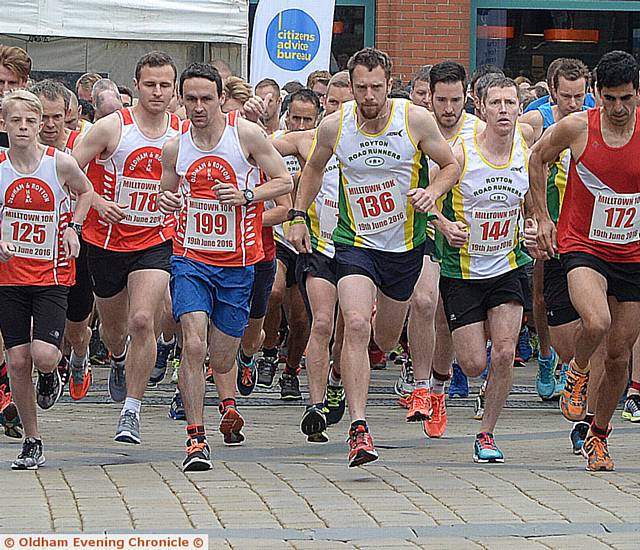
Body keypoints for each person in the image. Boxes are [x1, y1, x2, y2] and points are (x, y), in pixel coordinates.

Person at [288, 47, 460, 467]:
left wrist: (432, 193)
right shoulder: (335, 126)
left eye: (376, 87)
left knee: (382, 339)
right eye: (361, 87)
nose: (368, 96)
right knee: (357, 323)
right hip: (354, 244)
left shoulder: (413, 120)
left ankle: (343, 380)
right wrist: (296, 215)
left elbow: (450, 164)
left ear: (389, 83)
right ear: (350, 84)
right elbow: (312, 170)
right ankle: (359, 428)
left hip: (403, 247)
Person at [158, 62, 291, 471]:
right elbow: (166, 196)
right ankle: (195, 439)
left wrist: (247, 195)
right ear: (182, 99)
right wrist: (170, 204)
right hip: (191, 259)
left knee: (221, 356)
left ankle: (226, 399)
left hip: (238, 263)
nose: (199, 107)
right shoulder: (176, 146)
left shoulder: (244, 135)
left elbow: (285, 181)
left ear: (220, 98)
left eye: (206, 98)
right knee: (193, 344)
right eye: (191, 99)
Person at [530, 50, 640, 472]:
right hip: (583, 245)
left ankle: (598, 436)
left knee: (617, 357)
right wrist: (541, 216)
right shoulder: (577, 128)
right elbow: (537, 158)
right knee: (596, 321)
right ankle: (575, 373)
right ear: (596, 93)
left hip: (632, 253)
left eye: (625, 98)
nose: (617, 108)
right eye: (609, 98)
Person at [72, 51, 180, 445]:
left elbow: (190, 186)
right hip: (105, 241)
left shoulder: (180, 134)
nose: (156, 92)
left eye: (164, 85)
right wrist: (97, 202)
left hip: (155, 239)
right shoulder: (111, 127)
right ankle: (118, 359)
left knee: (141, 321)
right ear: (135, 85)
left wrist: (177, 200)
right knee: (116, 332)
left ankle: (131, 411)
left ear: (173, 89)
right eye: (149, 84)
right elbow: (69, 170)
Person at [434, 76, 534, 463]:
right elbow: (428, 200)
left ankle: (487, 433)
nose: (504, 110)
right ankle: (471, 384)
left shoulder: (525, 150)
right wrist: (446, 227)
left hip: (508, 266)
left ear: (519, 108)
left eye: (511, 103)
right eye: (496, 103)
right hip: (463, 272)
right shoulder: (460, 153)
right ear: (482, 108)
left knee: (506, 352)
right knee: (475, 363)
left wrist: (531, 224)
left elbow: (530, 199)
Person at [0, 90, 92, 469]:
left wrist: (74, 227)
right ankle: (32, 439)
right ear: (3, 125)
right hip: (10, 277)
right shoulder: (0, 165)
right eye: (15, 122)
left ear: (41, 125)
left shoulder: (59, 163)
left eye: (30, 122)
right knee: (18, 360)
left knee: (44, 355)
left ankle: (53, 372)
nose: (23, 128)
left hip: (52, 274)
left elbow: (85, 192)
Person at [404, 61, 483, 439]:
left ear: (466, 96)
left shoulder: (479, 133)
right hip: (429, 229)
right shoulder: (417, 127)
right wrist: (441, 222)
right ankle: (423, 387)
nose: (449, 108)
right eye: (441, 99)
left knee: (445, 319)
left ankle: (438, 389)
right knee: (424, 301)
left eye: (455, 99)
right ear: (428, 96)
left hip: (469, 239)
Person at [277, 71, 354, 442]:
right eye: (334, 103)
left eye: (345, 103)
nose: (339, 110)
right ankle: (317, 405)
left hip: (360, 247)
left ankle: (338, 379)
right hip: (320, 247)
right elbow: (263, 146)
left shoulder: (376, 139)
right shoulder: (308, 139)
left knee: (350, 330)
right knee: (321, 323)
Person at [259, 89, 320, 398]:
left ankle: (291, 370)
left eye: (307, 119)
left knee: (300, 318)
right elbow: (252, 146)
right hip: (279, 234)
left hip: (312, 240)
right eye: (294, 117)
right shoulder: (278, 142)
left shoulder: (325, 144)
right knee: (273, 291)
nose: (300, 123)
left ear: (318, 119)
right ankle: (269, 350)